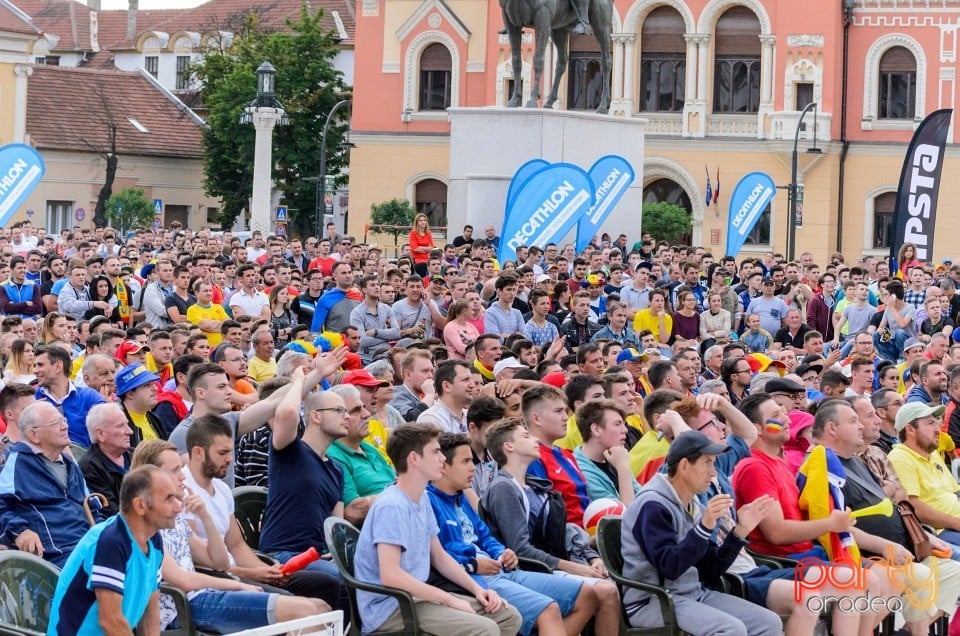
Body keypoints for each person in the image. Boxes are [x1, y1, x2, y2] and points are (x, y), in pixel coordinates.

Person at [353, 424, 522, 635]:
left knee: (508, 617)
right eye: (435, 452)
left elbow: (439, 556)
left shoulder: (422, 498)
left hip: (419, 598)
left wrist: (479, 590)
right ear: (414, 459)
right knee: (485, 629)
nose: (442, 458)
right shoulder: (392, 505)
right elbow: (391, 576)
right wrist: (450, 600)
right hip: (392, 607)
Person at [428, 432, 602, 636]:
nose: (472, 467)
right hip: (474, 579)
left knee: (587, 595)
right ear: (444, 466)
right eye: (465, 461)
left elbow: (485, 537)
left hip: (501, 569)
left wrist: (502, 553)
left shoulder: (461, 498)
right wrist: (475, 564)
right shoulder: (429, 502)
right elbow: (440, 555)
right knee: (549, 610)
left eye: (472, 461)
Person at [620, 430, 784, 635]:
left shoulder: (694, 505)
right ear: (685, 466)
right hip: (654, 600)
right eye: (707, 463)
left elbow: (709, 570)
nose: (714, 472)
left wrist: (739, 532)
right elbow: (670, 567)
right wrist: (704, 527)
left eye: (714, 463)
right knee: (731, 630)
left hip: (691, 594)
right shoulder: (652, 505)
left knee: (769, 622)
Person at [47, 466, 171, 635]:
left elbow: (150, 613)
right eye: (168, 499)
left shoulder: (154, 539)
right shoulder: (110, 542)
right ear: (140, 506)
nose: (177, 507)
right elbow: (110, 620)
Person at [0, 402, 101, 568]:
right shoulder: (17, 462)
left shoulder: (69, 463)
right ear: (34, 435)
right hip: (57, 555)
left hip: (89, 545)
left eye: (64, 421)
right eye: (56, 423)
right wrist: (19, 531)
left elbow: (93, 508)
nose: (65, 426)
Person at [326, 384, 397, 526]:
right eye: (357, 410)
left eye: (364, 408)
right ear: (339, 418)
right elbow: (352, 512)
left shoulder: (369, 448)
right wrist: (401, 493)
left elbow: (397, 483)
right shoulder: (332, 456)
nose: (366, 414)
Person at [34, 344, 105, 447]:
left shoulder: (88, 397)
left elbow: (109, 428)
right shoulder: (33, 399)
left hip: (84, 460)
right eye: (35, 366)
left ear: (58, 366)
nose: (35, 370)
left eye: (40, 365)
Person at [572, 399, 641, 504]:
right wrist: (623, 468)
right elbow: (625, 516)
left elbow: (641, 495)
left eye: (624, 424)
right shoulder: (581, 474)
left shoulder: (613, 455)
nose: (625, 430)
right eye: (617, 424)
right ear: (596, 430)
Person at [79, 403, 134, 517]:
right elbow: (112, 513)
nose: (129, 431)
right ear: (100, 434)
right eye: (120, 426)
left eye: (127, 424)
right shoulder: (90, 467)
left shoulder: (136, 455)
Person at [417, 359, 473, 433]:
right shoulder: (430, 420)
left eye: (471, 379)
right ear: (446, 386)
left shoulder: (471, 417)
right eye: (466, 380)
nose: (472, 385)